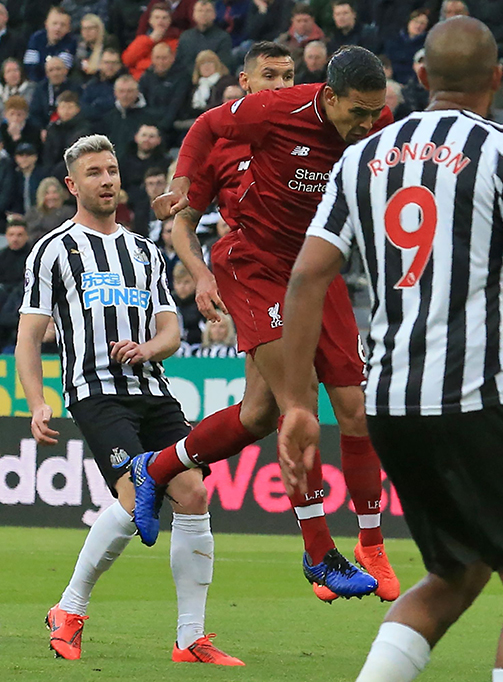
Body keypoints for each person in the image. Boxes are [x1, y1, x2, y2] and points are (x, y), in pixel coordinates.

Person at [275, 18, 503, 682]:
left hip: (389, 403)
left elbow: (305, 277)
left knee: (457, 568)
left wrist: (297, 404)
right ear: (497, 80)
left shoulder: (360, 157)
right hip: (475, 394)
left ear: (419, 78)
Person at [132, 45, 398, 602]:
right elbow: (188, 199)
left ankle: (156, 467)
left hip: (316, 271)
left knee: (284, 412)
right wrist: (199, 269)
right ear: (247, 80)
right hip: (254, 269)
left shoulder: (371, 122)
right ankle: (319, 552)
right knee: (296, 404)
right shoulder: (259, 121)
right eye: (268, 76)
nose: (368, 124)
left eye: (287, 74)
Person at [16, 135, 244, 666]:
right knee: (134, 491)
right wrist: (37, 401)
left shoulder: (144, 250)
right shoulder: (53, 250)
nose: (107, 180)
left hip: (153, 389)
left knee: (194, 494)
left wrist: (147, 349)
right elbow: (30, 335)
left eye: (112, 170)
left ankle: (191, 638)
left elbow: (169, 328)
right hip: (95, 392)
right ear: (73, 185)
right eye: (94, 172)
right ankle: (68, 609)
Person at [122, 2, 178, 79]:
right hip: (138, 80)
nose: (160, 21)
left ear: (169, 21)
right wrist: (150, 40)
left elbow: (164, 65)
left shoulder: (175, 42)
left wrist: (140, 64)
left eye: (164, 18)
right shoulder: (141, 39)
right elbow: (127, 60)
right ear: (150, 20)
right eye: (157, 17)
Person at [176, 0, 233, 73]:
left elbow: (224, 64)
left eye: (208, 11)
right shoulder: (185, 37)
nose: (203, 14)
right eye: (200, 11)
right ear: (193, 14)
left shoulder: (223, 37)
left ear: (214, 14)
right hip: (186, 79)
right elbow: (179, 63)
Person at [23, 6, 76, 82]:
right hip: (36, 84)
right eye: (54, 23)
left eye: (63, 25)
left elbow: (59, 70)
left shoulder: (71, 42)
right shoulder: (36, 38)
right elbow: (30, 67)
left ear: (69, 28)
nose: (58, 28)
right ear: (46, 24)